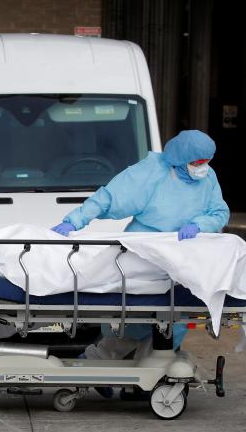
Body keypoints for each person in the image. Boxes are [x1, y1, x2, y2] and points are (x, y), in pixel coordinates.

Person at [50, 130, 229, 397]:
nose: (202, 167)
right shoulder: (152, 172)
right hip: (144, 255)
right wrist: (74, 220)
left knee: (173, 325)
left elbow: (219, 212)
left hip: (182, 260)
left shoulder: (207, 177)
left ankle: (150, 378)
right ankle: (98, 364)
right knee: (133, 323)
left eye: (206, 162)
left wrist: (199, 225)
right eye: (197, 162)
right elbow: (110, 197)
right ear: (179, 160)